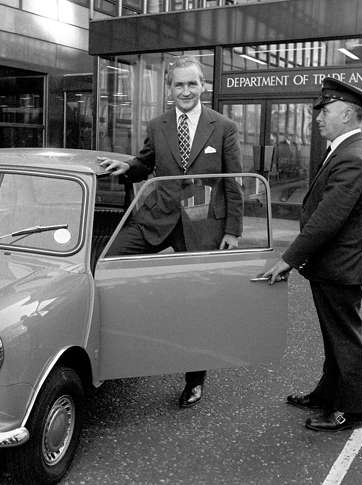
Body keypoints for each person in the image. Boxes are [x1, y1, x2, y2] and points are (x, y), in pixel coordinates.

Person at [99, 56, 244, 409]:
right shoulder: (158, 124)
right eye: (179, 85)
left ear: (203, 86)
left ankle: (194, 380)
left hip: (201, 223)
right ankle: (125, 346)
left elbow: (234, 182)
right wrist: (127, 167)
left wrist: (233, 231)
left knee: (197, 301)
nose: (186, 91)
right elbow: (146, 163)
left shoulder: (223, 127)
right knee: (107, 263)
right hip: (158, 215)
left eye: (192, 84)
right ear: (169, 88)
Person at [263, 77, 362, 432]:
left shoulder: (354, 157)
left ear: (346, 114)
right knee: (335, 337)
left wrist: (287, 260)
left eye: (325, 111)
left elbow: (326, 220)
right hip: (335, 264)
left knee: (345, 339)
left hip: (341, 265)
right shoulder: (347, 149)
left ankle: (349, 412)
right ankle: (326, 395)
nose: (318, 117)